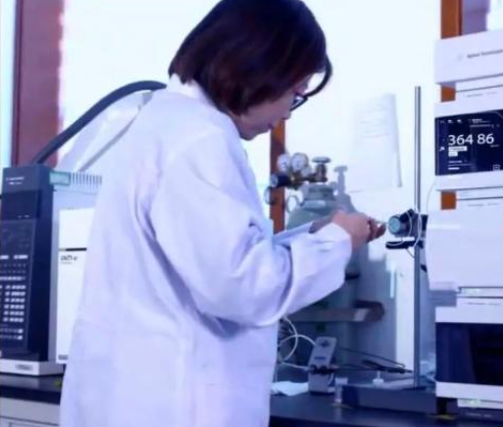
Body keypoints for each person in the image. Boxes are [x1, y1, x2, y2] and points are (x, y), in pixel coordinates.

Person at [59, 1, 384, 426]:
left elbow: (219, 259)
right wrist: (337, 241)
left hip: (132, 397)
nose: (289, 111)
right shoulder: (201, 138)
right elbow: (242, 287)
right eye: (295, 92)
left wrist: (314, 234)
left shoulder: (164, 121)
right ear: (259, 66)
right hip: (176, 406)